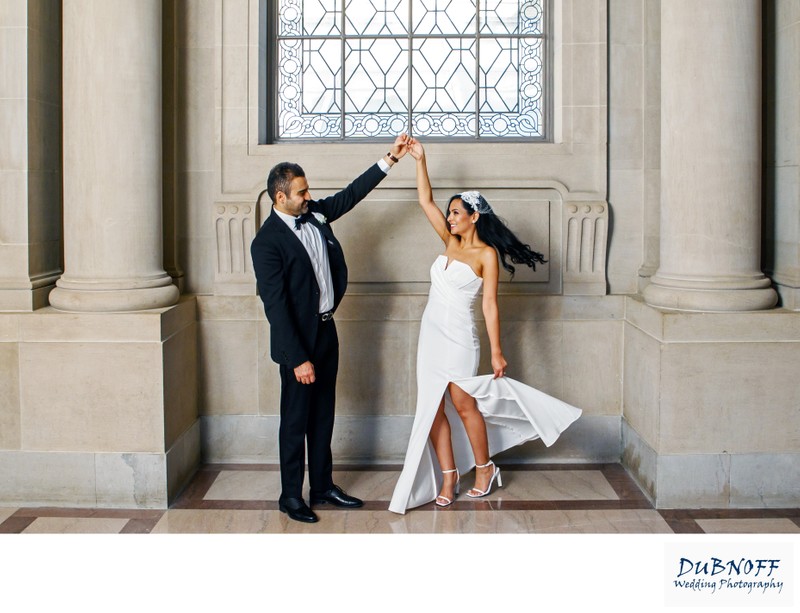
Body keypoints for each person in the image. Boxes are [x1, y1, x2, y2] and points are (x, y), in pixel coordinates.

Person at [388, 139, 582, 514]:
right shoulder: (449, 242)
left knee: (463, 404)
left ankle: (485, 468)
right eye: (450, 213)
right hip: (430, 336)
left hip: (460, 337)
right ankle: (448, 476)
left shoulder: (486, 255)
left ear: (475, 216)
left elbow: (491, 304)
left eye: (457, 212)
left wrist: (496, 351)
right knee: (431, 409)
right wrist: (420, 160)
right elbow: (425, 202)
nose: (450, 217)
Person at [252, 135, 410, 523]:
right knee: (295, 421)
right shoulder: (266, 243)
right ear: (280, 197)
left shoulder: (316, 214)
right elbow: (276, 308)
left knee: (323, 416)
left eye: (308, 190)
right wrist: (298, 358)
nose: (309, 196)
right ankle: (291, 497)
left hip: (326, 331)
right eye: (302, 192)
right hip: (298, 344)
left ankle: (322, 486)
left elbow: (350, 195)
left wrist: (390, 158)